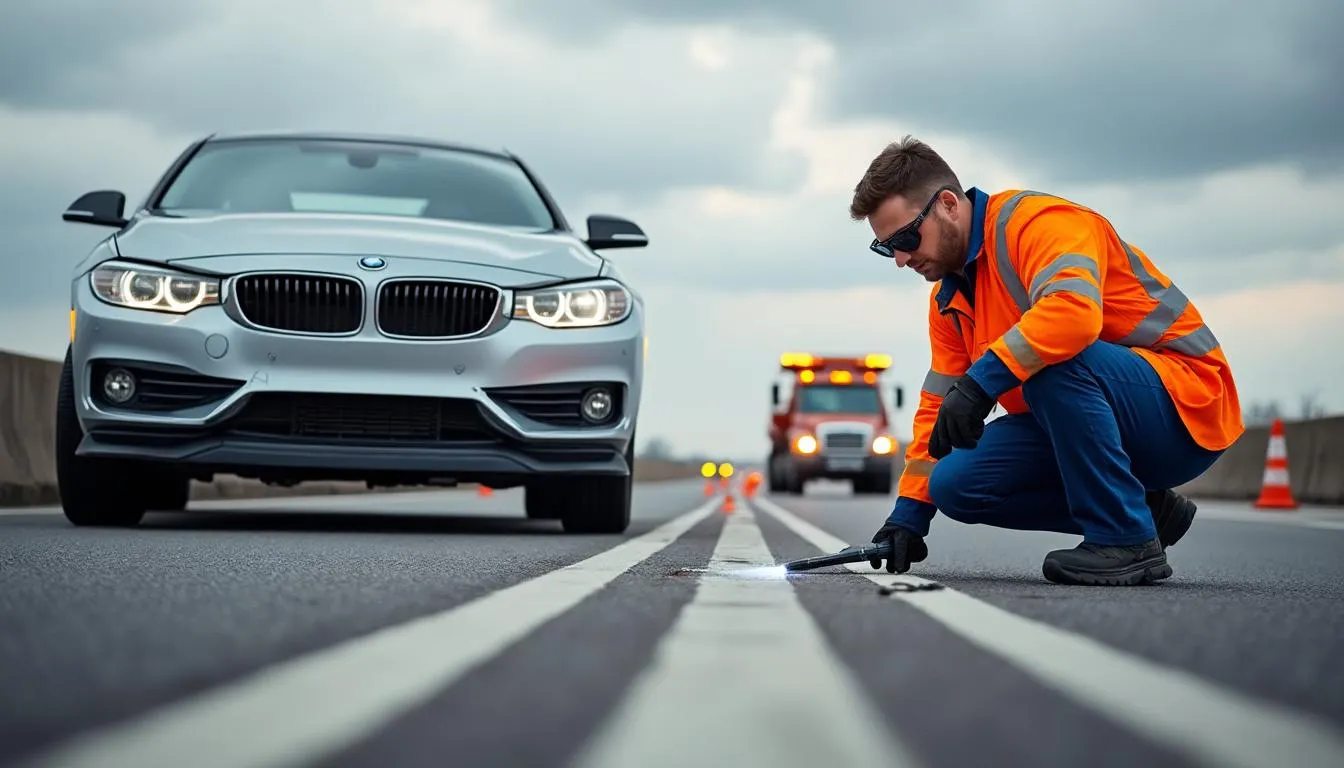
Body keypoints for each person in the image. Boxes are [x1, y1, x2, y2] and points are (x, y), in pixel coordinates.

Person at [848, 136, 1243, 586]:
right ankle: (1146, 512)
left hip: (1183, 408)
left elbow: (1074, 314)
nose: (900, 259)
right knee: (955, 484)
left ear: (948, 205)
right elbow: (937, 409)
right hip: (1082, 420)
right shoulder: (949, 300)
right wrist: (908, 517)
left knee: (1052, 361)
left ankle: (1125, 537)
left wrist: (980, 383)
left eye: (904, 238)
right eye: (886, 248)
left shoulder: (1039, 223)